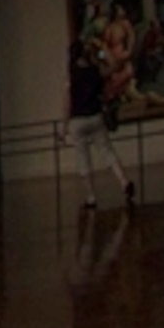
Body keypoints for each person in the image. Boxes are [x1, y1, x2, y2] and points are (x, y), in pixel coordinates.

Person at [64, 33, 135, 211]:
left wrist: (64, 126)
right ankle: (124, 182)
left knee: (83, 159)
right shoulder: (95, 70)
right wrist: (103, 49)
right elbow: (113, 66)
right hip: (95, 116)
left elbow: (67, 101)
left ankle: (91, 197)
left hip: (77, 120)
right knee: (107, 152)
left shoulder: (72, 72)